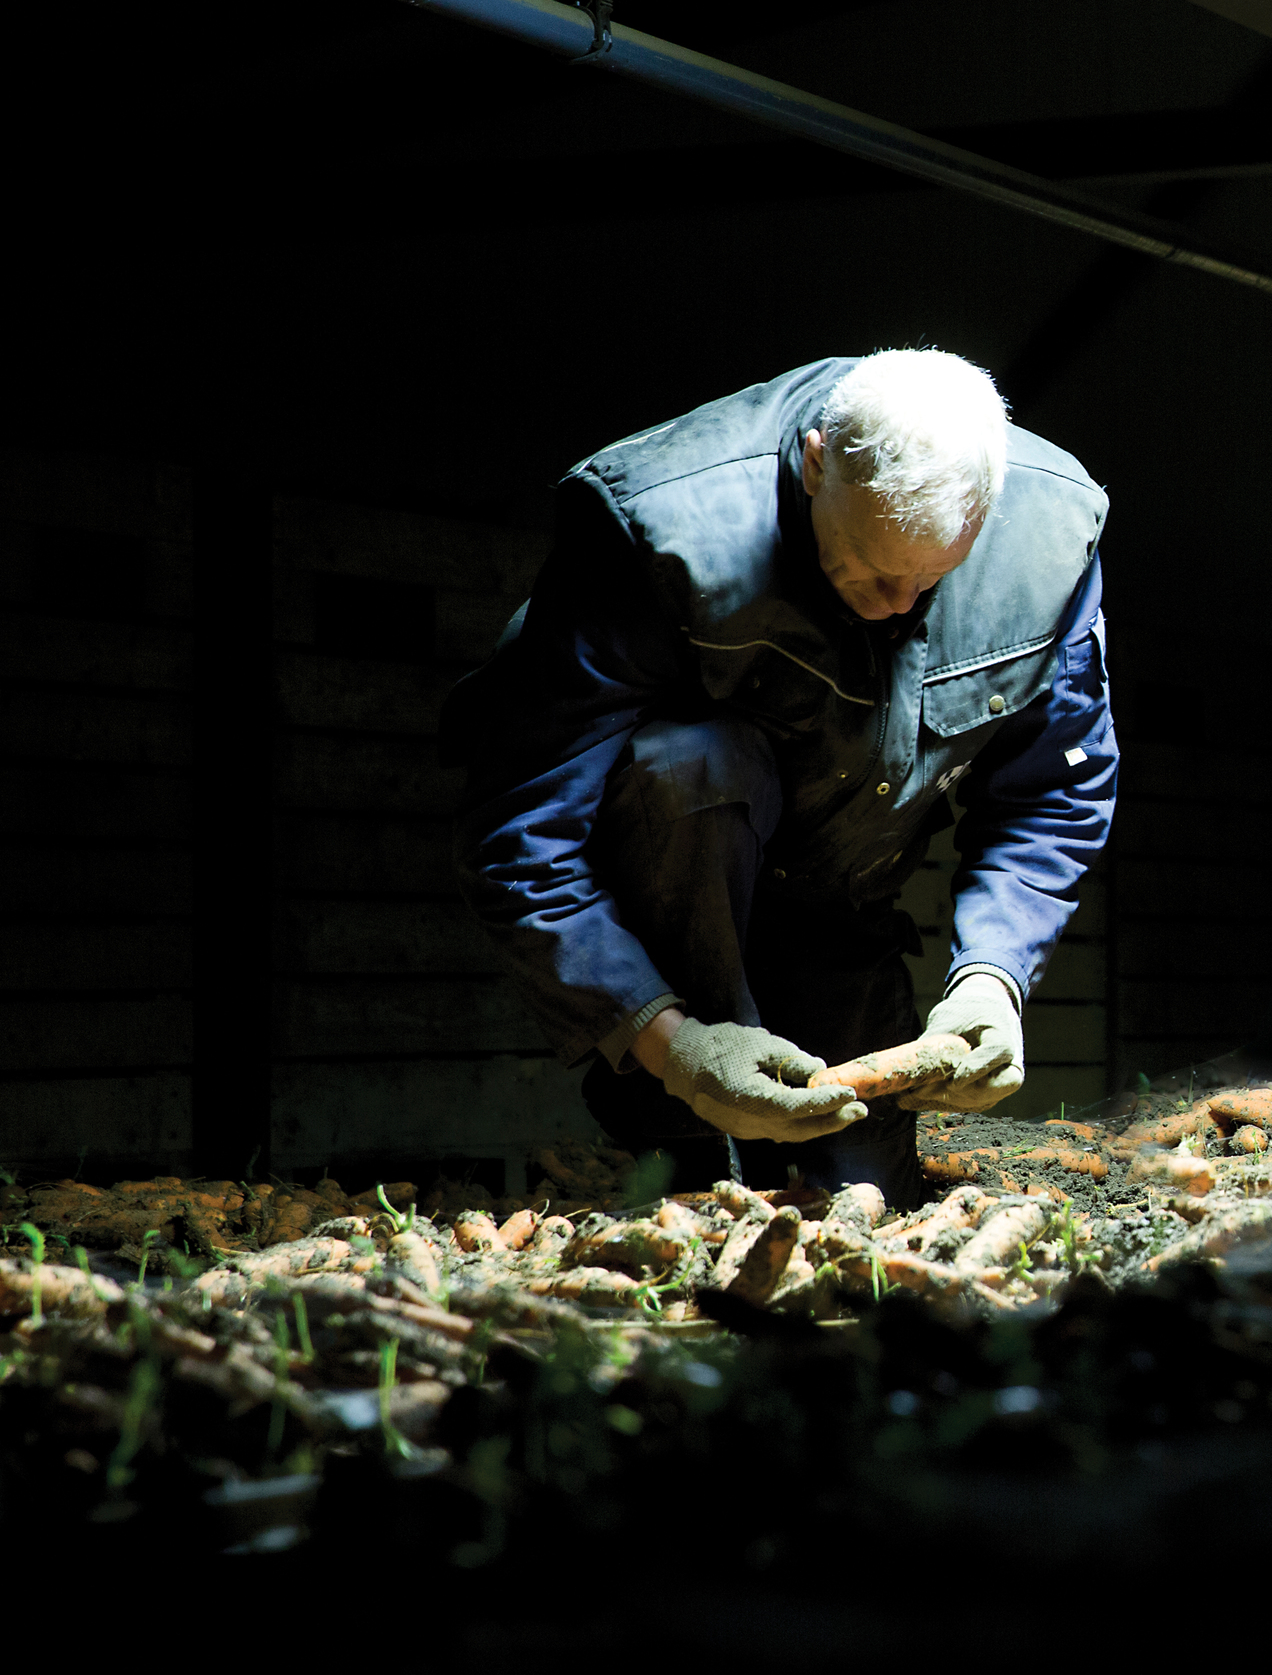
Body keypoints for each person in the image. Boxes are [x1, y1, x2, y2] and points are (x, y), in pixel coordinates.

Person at [443, 351, 1117, 1205]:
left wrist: (992, 978)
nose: (901, 604)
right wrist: (666, 1042)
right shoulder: (652, 531)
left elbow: (1053, 791)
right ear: (814, 463)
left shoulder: (1049, 533)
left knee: (864, 1198)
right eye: (872, 569)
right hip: (679, 911)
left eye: (933, 576)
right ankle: (675, 1129)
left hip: (842, 908)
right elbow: (520, 831)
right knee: (692, 763)